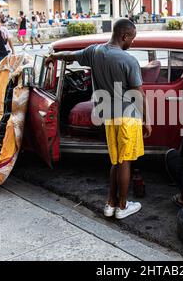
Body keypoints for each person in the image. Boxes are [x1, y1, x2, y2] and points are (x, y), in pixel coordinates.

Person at [46, 18, 152, 219]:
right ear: (124, 36)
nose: (132, 43)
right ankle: (122, 207)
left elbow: (70, 56)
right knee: (125, 162)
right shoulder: (128, 60)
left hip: (108, 117)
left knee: (115, 160)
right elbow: (139, 94)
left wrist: (53, 56)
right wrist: (146, 120)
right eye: (132, 39)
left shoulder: (94, 52)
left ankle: (110, 204)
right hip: (128, 117)